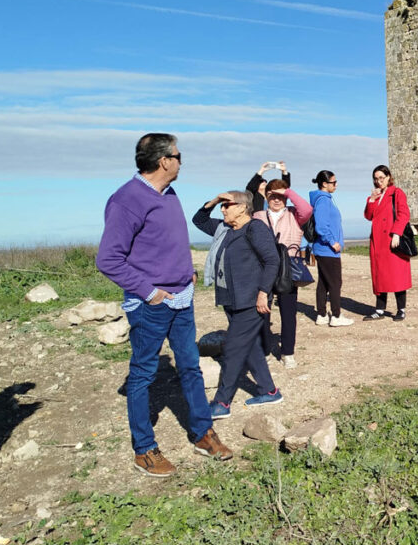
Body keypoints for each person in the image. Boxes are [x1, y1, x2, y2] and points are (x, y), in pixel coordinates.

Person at [96, 132, 232, 478]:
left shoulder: (169, 195)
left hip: (182, 301)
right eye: (178, 154)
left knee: (190, 367)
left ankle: (202, 432)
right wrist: (149, 291)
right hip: (151, 304)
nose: (181, 160)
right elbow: (109, 259)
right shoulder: (126, 200)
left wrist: (183, 279)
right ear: (164, 161)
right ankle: (144, 450)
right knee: (142, 374)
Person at [193, 191, 283, 418]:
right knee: (249, 345)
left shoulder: (255, 228)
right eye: (221, 206)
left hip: (251, 300)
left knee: (233, 348)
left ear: (243, 207)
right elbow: (199, 220)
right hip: (231, 299)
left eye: (227, 205)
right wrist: (213, 201)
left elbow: (272, 260)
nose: (223, 209)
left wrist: (264, 293)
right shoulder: (224, 229)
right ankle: (269, 391)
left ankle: (222, 403)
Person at [254, 178, 313, 368]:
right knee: (262, 311)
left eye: (281, 196)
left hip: (288, 269)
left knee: (288, 313)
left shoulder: (295, 215)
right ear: (267, 196)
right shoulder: (258, 216)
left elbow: (307, 209)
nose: (277, 200)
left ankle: (288, 353)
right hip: (263, 268)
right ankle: (263, 349)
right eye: (273, 196)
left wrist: (286, 191)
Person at [363, 165, 413, 321]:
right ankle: (379, 310)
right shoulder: (375, 196)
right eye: (376, 179)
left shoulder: (396, 193)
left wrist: (397, 233)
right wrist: (371, 200)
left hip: (392, 241)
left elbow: (404, 214)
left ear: (388, 177)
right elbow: (368, 216)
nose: (379, 182)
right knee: (380, 276)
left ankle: (401, 309)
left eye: (381, 178)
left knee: (397, 275)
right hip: (377, 242)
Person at [309, 170, 353, 327]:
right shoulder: (323, 200)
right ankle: (336, 315)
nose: (336, 185)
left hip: (323, 249)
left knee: (324, 282)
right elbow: (321, 226)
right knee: (335, 282)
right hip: (327, 249)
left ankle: (321, 315)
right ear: (324, 184)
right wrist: (332, 241)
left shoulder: (325, 199)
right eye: (333, 182)